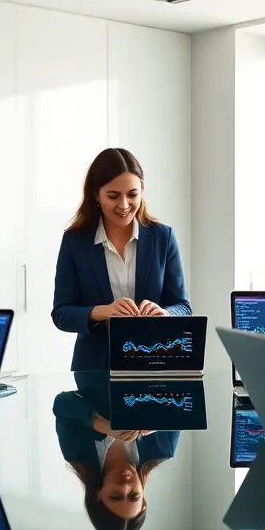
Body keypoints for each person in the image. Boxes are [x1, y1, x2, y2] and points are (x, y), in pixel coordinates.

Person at [52, 148, 191, 370]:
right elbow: (61, 313)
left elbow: (183, 307)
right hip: (94, 369)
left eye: (132, 194)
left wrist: (164, 314)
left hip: (155, 365)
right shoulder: (75, 241)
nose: (124, 205)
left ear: (142, 190)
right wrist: (102, 311)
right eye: (113, 196)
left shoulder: (163, 237)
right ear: (96, 194)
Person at [53, 380, 181, 530]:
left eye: (115, 495)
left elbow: (62, 404)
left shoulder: (77, 453)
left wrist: (99, 423)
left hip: (97, 360)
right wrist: (162, 418)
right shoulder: (163, 449)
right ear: (143, 497)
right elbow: (181, 394)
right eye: (134, 495)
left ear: (97, 495)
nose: (126, 486)